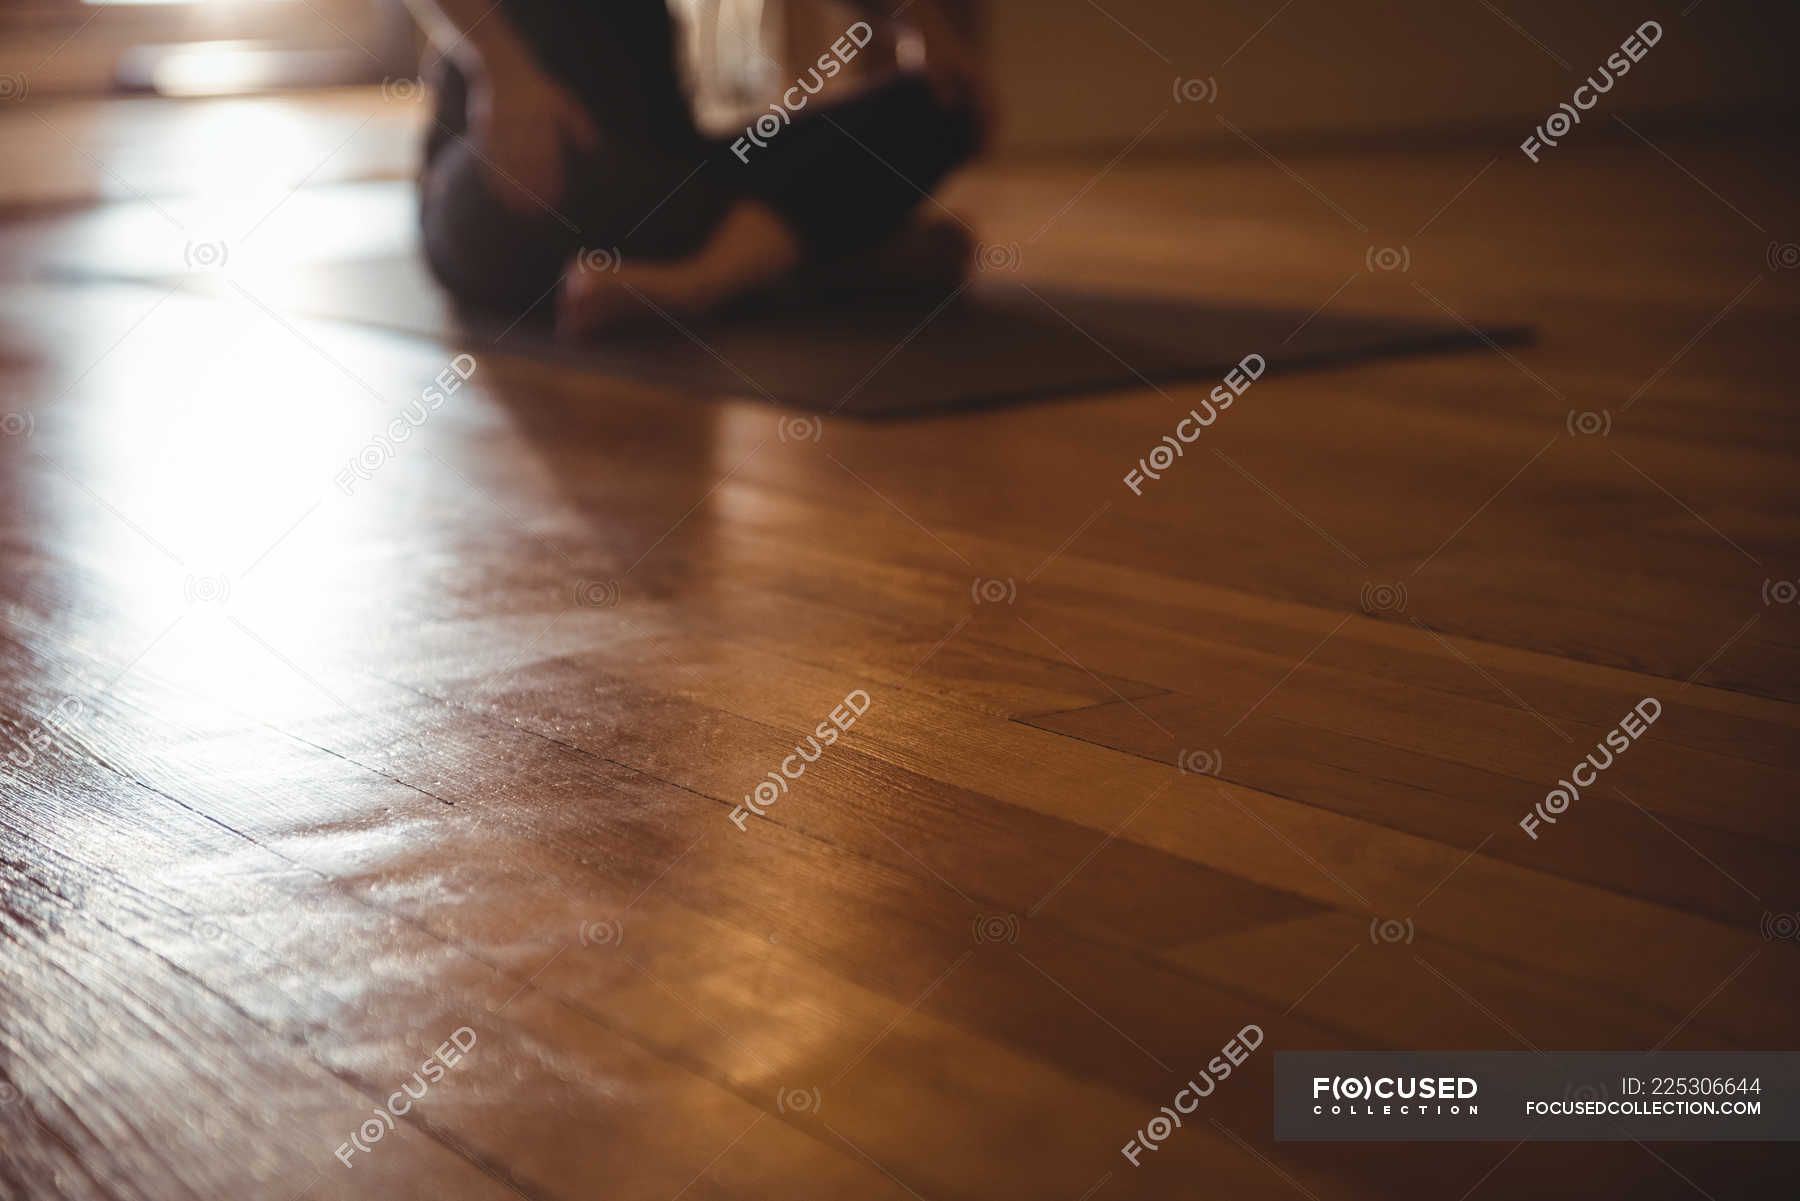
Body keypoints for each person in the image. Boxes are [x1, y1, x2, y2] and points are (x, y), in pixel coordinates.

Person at [402, 0, 991, 337]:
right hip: (528, 180)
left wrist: (920, 24)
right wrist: (501, 68)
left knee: (942, 106)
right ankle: (819, 261)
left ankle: (696, 284)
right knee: (495, 218)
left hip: (675, 181)